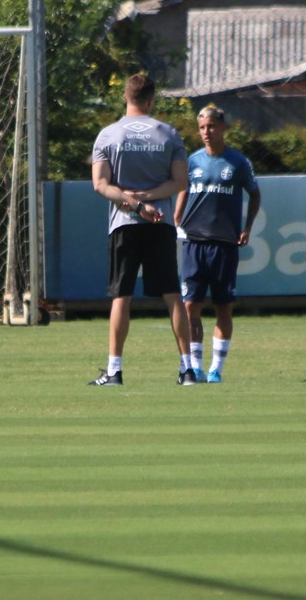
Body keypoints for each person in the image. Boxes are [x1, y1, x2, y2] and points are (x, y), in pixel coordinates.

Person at [88, 73, 198, 386]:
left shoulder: (109, 135)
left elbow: (100, 185)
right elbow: (180, 182)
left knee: (121, 295)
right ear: (151, 100)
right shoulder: (168, 133)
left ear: (126, 97)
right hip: (160, 222)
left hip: (124, 224)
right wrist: (148, 199)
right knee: (172, 294)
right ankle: (187, 369)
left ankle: (115, 370)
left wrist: (133, 203)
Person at [173, 105, 261, 383]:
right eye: (201, 127)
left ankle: (216, 370)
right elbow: (184, 189)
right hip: (193, 243)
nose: (206, 132)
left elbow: (255, 194)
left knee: (223, 307)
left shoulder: (238, 162)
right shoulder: (193, 161)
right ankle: (196, 366)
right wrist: (176, 218)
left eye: (211, 126)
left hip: (224, 244)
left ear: (222, 127)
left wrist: (247, 227)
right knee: (190, 307)